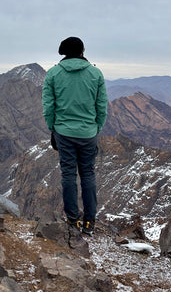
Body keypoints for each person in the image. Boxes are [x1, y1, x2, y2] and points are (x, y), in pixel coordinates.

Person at [42, 37, 108, 235]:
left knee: (68, 174)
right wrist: (97, 128)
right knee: (88, 174)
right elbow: (102, 106)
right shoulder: (96, 73)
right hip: (88, 132)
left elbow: (48, 107)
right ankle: (89, 222)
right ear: (82, 51)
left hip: (63, 132)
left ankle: (72, 220)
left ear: (63, 52)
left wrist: (52, 128)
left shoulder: (53, 74)